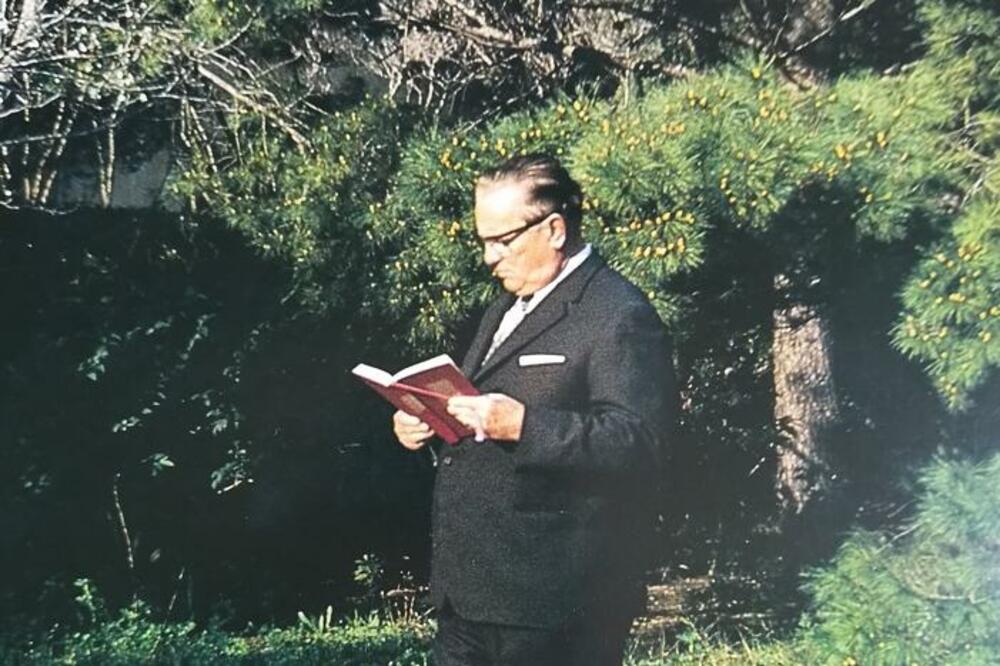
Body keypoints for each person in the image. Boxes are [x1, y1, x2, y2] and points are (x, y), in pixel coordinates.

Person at [392, 153, 676, 666]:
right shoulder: (505, 308)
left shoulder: (618, 313)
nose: (489, 257)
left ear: (555, 229)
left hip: (558, 606)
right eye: (483, 241)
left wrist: (525, 425)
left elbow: (639, 442)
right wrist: (428, 424)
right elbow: (481, 418)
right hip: (472, 598)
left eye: (503, 240)